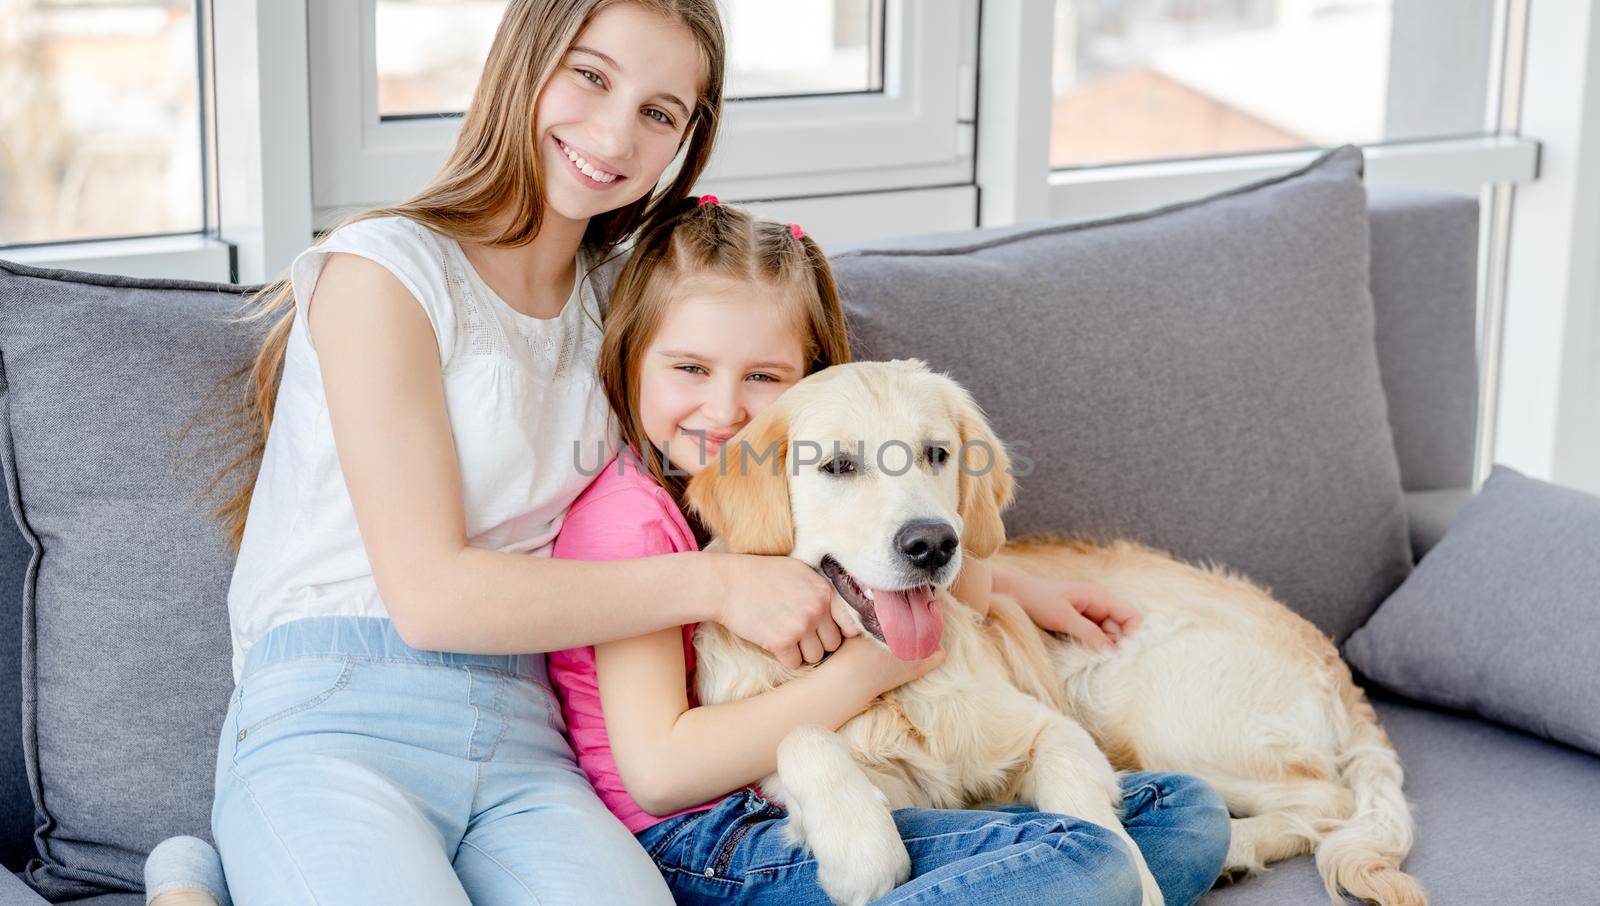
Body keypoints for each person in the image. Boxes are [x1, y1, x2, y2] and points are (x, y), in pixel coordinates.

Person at [143, 2, 855, 903]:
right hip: (340, 711)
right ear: (524, 60)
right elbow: (433, 599)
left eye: (659, 112)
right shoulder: (383, 272)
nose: (613, 132)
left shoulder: (624, 309)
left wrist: (994, 577)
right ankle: (196, 878)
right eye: (590, 75)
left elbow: (754, 474)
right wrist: (719, 588)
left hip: (529, 740)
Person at [546, 197, 1232, 905]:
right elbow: (661, 775)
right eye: (690, 367)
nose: (724, 411)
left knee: (1188, 811)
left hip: (839, 799)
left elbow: (909, 531)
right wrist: (866, 674)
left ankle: (1045, 879)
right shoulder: (630, 523)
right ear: (630, 356)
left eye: (763, 376)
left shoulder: (795, 467)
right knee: (1090, 863)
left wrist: (1022, 590)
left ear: (809, 379)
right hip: (715, 834)